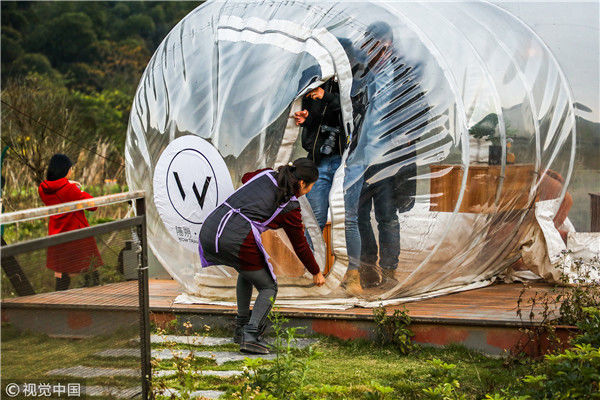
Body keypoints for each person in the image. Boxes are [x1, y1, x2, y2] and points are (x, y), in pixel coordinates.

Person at [199, 158, 326, 354]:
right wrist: (316, 271)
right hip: (235, 236)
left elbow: (246, 178)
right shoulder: (290, 207)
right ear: (302, 183)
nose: (309, 190)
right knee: (268, 287)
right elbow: (300, 245)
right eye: (311, 186)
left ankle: (241, 328)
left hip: (211, 227)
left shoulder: (265, 174)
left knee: (247, 271)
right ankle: (250, 335)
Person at [38, 154, 102, 291]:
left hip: (56, 235)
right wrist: (78, 189)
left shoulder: (42, 189)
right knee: (91, 270)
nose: (71, 171)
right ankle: (96, 296)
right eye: (71, 168)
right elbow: (93, 205)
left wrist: (69, 183)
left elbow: (57, 189)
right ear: (65, 170)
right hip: (77, 236)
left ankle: (59, 301)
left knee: (61, 273)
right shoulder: (70, 189)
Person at [294, 80, 346, 239]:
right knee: (315, 220)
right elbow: (317, 121)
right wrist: (306, 119)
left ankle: (353, 258)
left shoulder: (354, 75)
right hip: (319, 160)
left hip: (347, 161)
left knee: (350, 220)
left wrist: (327, 96)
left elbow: (353, 109)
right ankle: (312, 255)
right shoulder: (313, 79)